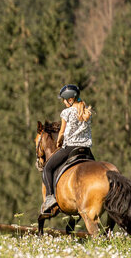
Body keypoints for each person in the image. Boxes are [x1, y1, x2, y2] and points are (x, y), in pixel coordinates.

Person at [39, 84, 95, 217]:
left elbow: (62, 132)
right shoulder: (87, 112)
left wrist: (59, 141)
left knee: (48, 168)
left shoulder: (66, 112)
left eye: (64, 100)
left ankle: (50, 198)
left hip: (70, 148)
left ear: (70, 100)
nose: (63, 102)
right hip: (86, 150)